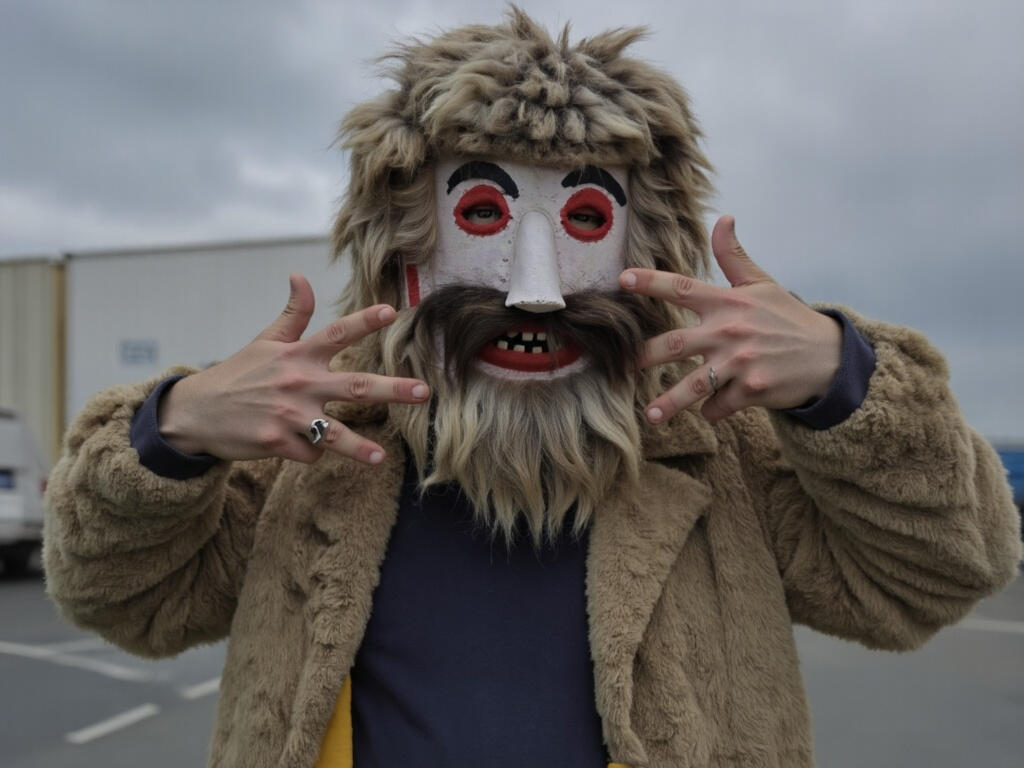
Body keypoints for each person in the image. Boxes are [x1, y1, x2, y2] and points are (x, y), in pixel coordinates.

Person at [43, 8, 1021, 768]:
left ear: (652, 243)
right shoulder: (315, 457)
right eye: (480, 211)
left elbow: (938, 575)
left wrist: (846, 387)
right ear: (401, 246)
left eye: (587, 217)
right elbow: (120, 599)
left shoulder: (725, 453)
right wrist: (170, 437)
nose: (535, 288)